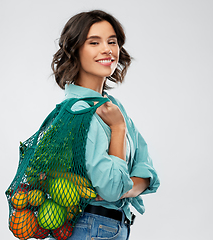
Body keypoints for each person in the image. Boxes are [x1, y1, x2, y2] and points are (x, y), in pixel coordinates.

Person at [50, 10, 160, 239]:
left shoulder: (113, 107)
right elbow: (111, 188)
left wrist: (123, 190)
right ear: (75, 50)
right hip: (91, 227)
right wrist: (118, 130)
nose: (107, 49)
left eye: (112, 41)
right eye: (94, 42)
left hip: (106, 227)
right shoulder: (79, 112)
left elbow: (148, 172)